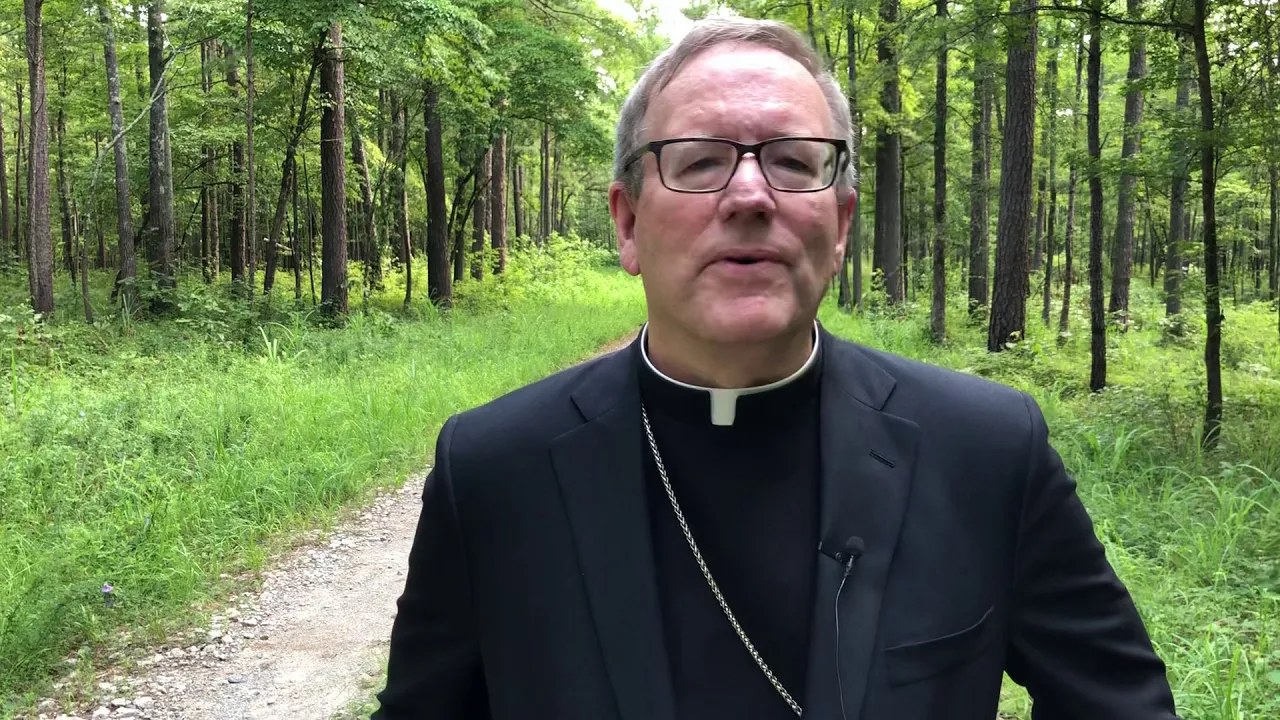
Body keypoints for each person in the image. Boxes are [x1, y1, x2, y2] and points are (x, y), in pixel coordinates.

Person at [371, 17, 1180, 720]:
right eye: (698, 161)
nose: (751, 194)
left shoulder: (987, 450)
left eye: (794, 161)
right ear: (627, 224)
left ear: (841, 225)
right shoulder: (493, 468)